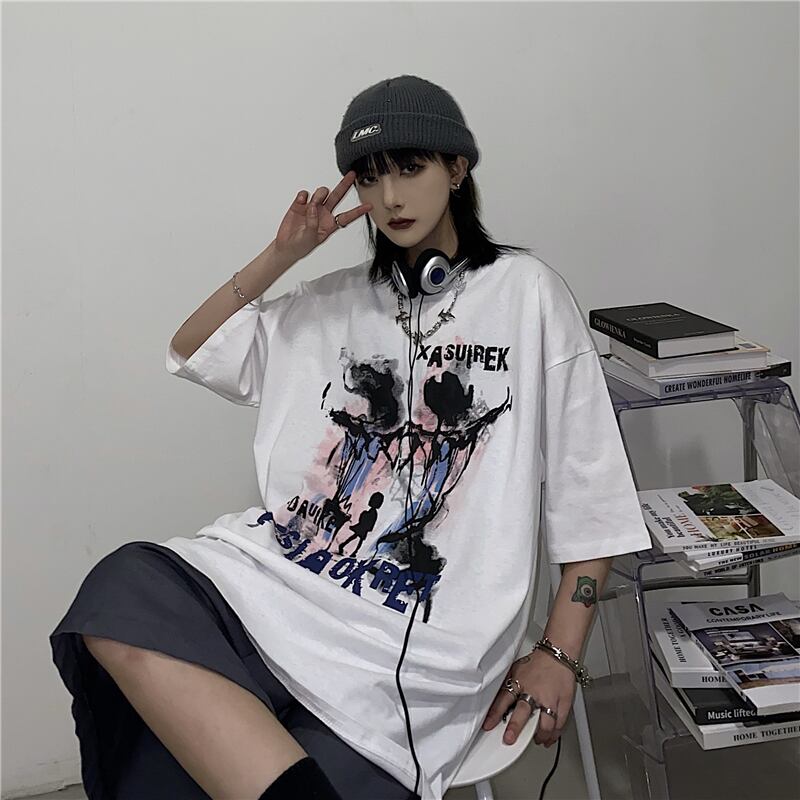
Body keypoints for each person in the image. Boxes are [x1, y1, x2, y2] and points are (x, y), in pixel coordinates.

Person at [49, 75, 652, 800]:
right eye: (369, 178)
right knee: (119, 593)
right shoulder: (326, 303)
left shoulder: (528, 295)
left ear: (457, 169)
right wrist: (282, 254)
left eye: (410, 168)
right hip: (283, 593)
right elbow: (191, 346)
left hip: (419, 640)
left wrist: (559, 651)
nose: (390, 197)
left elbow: (591, 495)